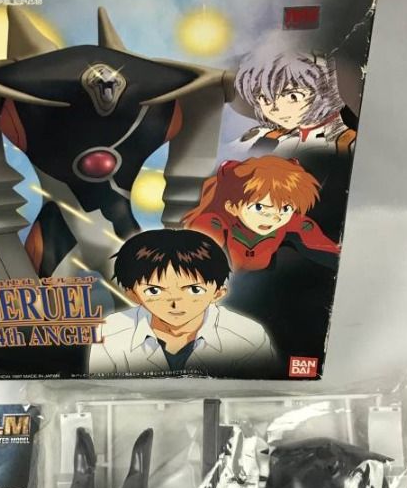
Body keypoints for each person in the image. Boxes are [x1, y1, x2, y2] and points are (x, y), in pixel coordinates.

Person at [88, 229, 275, 375]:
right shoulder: (110, 332)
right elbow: (99, 398)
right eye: (154, 290)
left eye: (194, 290)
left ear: (218, 293)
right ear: (133, 295)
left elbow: (260, 399)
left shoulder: (248, 336)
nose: (175, 303)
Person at [182, 157, 339, 271]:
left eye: (285, 209)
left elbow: (331, 253)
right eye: (259, 207)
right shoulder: (210, 224)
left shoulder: (294, 223)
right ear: (232, 207)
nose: (274, 217)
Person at [234, 51, 356, 156]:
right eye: (265, 99)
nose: (275, 109)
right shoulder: (267, 137)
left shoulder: (348, 144)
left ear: (324, 89)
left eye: (292, 96)